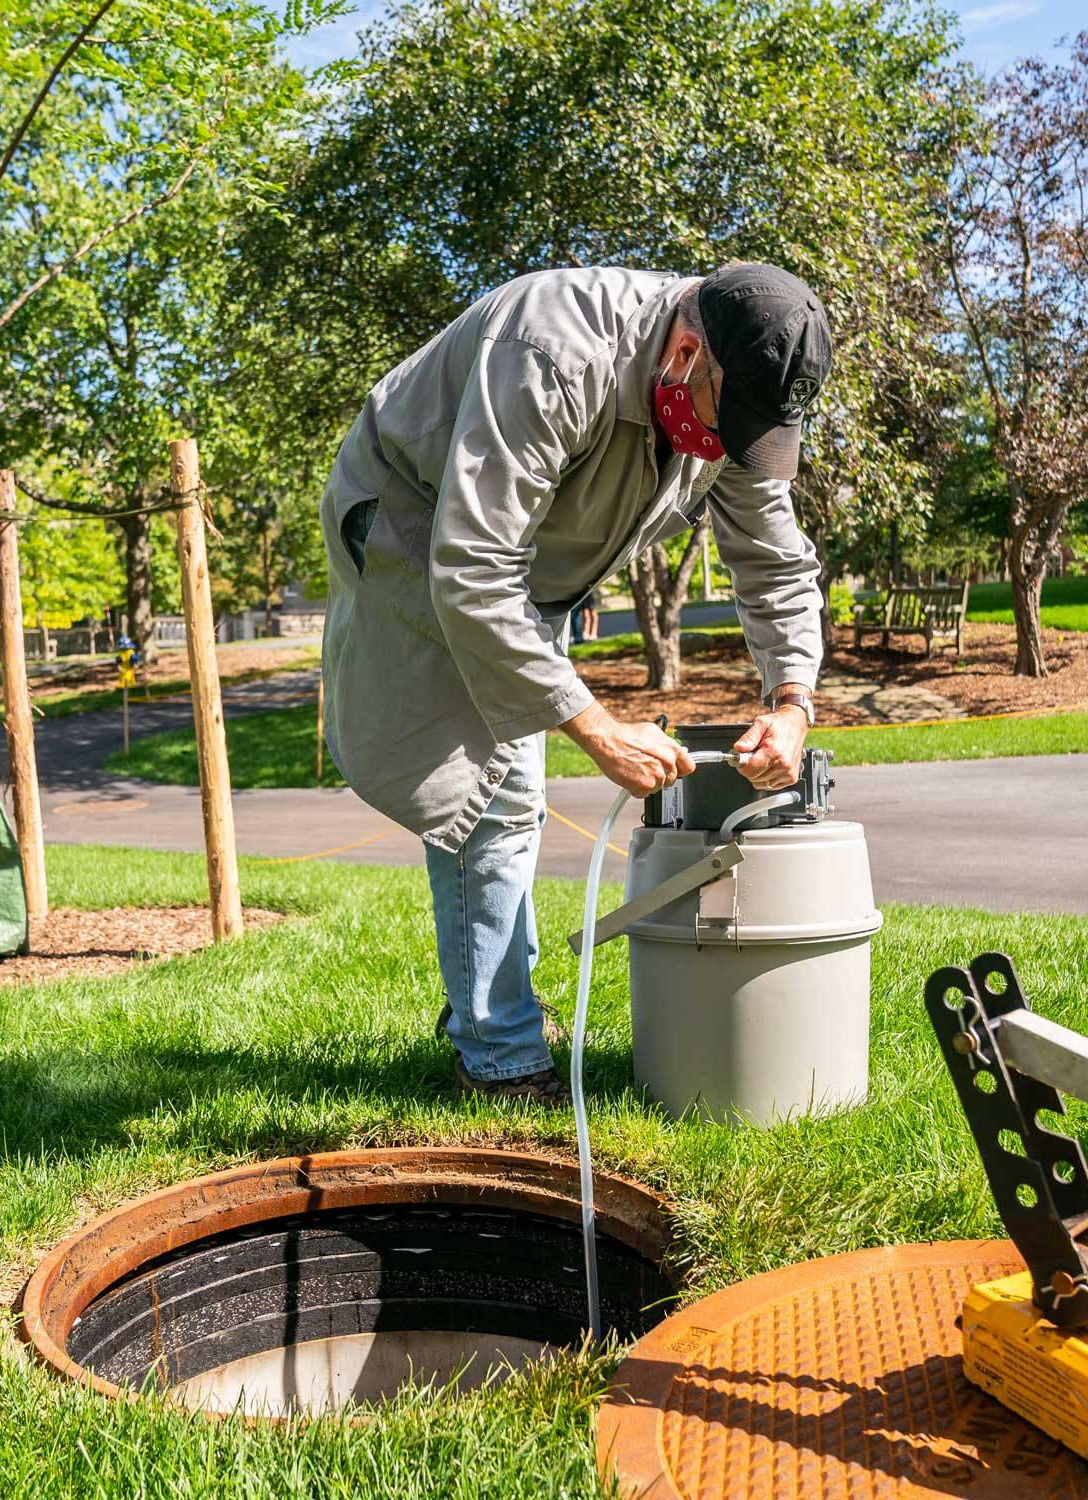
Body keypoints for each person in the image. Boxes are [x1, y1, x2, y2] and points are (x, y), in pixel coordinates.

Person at [319, 263, 829, 1100]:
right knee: (491, 797)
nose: (731, 447)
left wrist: (792, 702)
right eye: (724, 419)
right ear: (686, 351)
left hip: (530, 568)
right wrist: (593, 723)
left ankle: (490, 1017)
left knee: (506, 790)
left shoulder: (737, 395)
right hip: (413, 527)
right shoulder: (551, 352)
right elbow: (474, 569)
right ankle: (501, 1059)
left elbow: (774, 563)